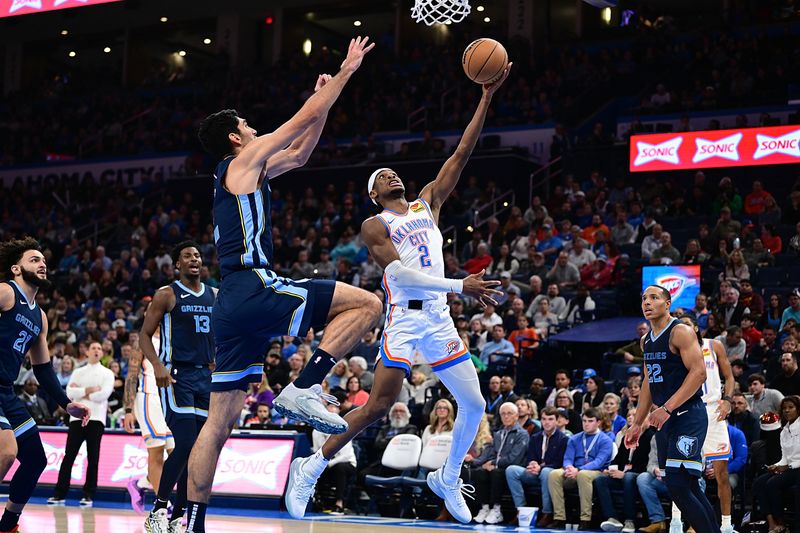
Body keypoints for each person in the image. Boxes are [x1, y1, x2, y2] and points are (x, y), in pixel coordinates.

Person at [283, 61, 511, 525]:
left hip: (440, 320)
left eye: (391, 171)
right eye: (380, 176)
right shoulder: (376, 224)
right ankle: (312, 466)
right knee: (379, 406)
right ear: (373, 194)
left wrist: (486, 95)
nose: (389, 174)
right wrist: (460, 284)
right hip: (406, 319)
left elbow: (462, 153)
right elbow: (402, 277)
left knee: (475, 404)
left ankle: (446, 477)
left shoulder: (428, 202)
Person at [187, 37, 383, 533]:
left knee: (219, 422)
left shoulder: (241, 172)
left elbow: (298, 154)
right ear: (236, 138)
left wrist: (318, 110)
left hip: (230, 301)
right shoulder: (242, 162)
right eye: (248, 126)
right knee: (366, 304)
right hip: (254, 284)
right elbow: (295, 123)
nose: (254, 129)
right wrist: (345, 71)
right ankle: (305, 385)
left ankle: (191, 521)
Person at [0, 237, 90, 532]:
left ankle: (8, 525)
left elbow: (43, 370)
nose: (42, 264)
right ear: (16, 268)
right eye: (33, 260)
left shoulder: (39, 317)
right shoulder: (5, 292)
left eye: (43, 260)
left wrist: (66, 403)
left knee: (36, 459)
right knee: (6, 452)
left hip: (5, 392)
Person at [625, 285, 720, 533]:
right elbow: (648, 382)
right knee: (683, 484)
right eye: (644, 298)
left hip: (688, 413)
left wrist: (666, 408)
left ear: (667, 304)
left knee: (678, 484)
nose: (647, 302)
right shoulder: (646, 341)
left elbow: (699, 374)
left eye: (654, 298)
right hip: (665, 420)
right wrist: (637, 423)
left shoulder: (681, 332)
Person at [141, 241, 217, 532]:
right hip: (175, 376)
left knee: (197, 451)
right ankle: (158, 511)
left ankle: (177, 516)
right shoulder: (166, 295)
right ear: (177, 265)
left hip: (205, 378)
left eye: (197, 255)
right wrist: (157, 366)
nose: (194, 259)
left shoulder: (215, 295)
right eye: (187, 256)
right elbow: (145, 335)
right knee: (184, 443)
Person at [670, 315, 736, 533]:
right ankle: (676, 523)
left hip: (714, 411)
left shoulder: (713, 345)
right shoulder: (676, 351)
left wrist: (727, 400)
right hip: (688, 412)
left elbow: (729, 376)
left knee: (721, 473)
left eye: (688, 324)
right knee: (681, 472)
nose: (684, 329)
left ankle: (726, 525)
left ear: (696, 327)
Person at [48, 341, 114, 507]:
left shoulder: (107, 373)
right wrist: (89, 390)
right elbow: (70, 393)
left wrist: (82, 392)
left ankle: (88, 494)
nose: (97, 351)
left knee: (93, 458)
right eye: (93, 348)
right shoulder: (78, 371)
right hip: (77, 419)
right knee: (69, 456)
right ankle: (59, 493)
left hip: (96, 419)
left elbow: (103, 395)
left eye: (99, 349)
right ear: (87, 352)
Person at [123, 340, 175, 514]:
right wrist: (128, 410)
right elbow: (131, 376)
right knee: (157, 453)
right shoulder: (142, 342)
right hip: (148, 398)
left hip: (168, 401)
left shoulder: (173, 335)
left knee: (178, 455)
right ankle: (164, 508)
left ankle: (141, 483)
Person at [547, 407, 614, 529]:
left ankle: (585, 519)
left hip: (596, 472)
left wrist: (578, 470)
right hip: (574, 471)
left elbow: (599, 462)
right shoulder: (574, 438)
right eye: (584, 421)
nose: (586, 424)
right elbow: (567, 458)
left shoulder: (606, 440)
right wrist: (569, 467)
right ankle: (559, 517)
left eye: (590, 421)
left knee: (583, 475)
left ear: (598, 422)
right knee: (554, 474)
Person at [504, 406, 568, 528]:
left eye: (550, 419)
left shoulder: (563, 439)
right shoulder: (535, 437)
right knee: (511, 470)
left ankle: (547, 513)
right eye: (544, 419)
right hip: (535, 472)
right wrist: (532, 463)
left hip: (551, 472)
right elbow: (530, 456)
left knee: (546, 472)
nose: (547, 422)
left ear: (556, 420)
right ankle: (521, 510)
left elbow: (559, 462)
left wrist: (541, 467)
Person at [464, 402, 527, 524]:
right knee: (480, 472)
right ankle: (485, 508)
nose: (506, 416)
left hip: (512, 469)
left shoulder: (522, 434)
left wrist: (493, 463)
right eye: (503, 414)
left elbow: (514, 458)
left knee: (496, 473)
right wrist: (480, 462)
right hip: (497, 467)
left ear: (516, 415)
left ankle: (497, 510)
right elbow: (492, 453)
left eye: (509, 413)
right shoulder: (498, 434)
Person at [595, 407, 653, 533]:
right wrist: (610, 469)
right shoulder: (627, 436)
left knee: (628, 477)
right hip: (625, 474)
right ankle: (612, 517)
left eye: (635, 415)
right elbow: (618, 459)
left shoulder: (651, 436)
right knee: (601, 479)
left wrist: (623, 473)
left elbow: (648, 463)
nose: (631, 418)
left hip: (642, 475)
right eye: (629, 415)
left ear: (647, 419)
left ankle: (629, 520)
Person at [751, 395, 800, 533]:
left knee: (772, 483)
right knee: (759, 482)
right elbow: (785, 457)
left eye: (791, 407)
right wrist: (777, 465)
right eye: (784, 408)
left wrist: (787, 466)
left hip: (797, 468)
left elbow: (792, 461)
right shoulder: (784, 431)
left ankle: (781, 522)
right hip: (789, 468)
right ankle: (773, 523)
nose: (787, 411)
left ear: (798, 409)